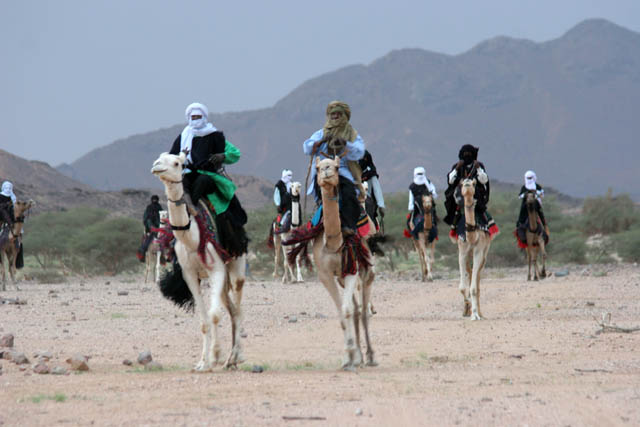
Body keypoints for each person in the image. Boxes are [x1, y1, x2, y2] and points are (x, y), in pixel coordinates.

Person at [169, 102, 248, 256]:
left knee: (204, 181)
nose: (195, 119)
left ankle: (194, 206)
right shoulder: (183, 136)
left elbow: (235, 153)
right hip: (187, 173)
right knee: (180, 185)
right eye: (193, 117)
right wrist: (180, 158)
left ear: (204, 117)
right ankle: (186, 209)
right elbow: (172, 156)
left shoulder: (215, 136)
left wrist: (223, 156)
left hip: (209, 175)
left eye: (198, 116)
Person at [303, 101, 365, 235]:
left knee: (348, 192)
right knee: (322, 192)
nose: (335, 116)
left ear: (344, 115)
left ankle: (349, 226)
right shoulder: (321, 133)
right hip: (323, 169)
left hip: (341, 169)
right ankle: (318, 223)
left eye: (338, 113)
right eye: (333, 114)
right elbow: (307, 148)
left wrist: (345, 143)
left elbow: (359, 151)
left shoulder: (352, 135)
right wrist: (320, 141)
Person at [443, 145, 492, 230]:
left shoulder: (478, 165)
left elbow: (484, 180)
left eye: (469, 154)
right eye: (465, 154)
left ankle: (485, 225)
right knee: (456, 207)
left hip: (475, 195)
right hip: (460, 195)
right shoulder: (457, 166)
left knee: (480, 208)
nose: (467, 156)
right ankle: (455, 225)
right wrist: (457, 168)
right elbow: (450, 181)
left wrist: (479, 169)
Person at [407, 167, 438, 238]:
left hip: (429, 205)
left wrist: (432, 193)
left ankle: (434, 233)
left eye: (421, 174)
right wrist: (411, 207)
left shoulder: (428, 183)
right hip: (417, 206)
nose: (420, 175)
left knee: (433, 218)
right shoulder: (412, 186)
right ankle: (414, 234)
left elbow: (434, 192)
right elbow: (411, 198)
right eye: (418, 174)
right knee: (410, 220)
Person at [359, 150, 385, 231]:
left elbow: (377, 189)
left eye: (364, 158)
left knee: (369, 206)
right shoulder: (351, 172)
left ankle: (372, 231)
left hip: (368, 196)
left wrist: (381, 205)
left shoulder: (371, 173)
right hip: (354, 197)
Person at [517, 170, 549, 236]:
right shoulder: (524, 187)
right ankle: (520, 225)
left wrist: (536, 193)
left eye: (530, 178)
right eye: (528, 178)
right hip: (526, 202)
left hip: (536, 202)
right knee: (522, 211)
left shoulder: (537, 186)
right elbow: (520, 196)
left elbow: (542, 194)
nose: (529, 180)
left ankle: (544, 225)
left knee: (540, 212)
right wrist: (525, 194)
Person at [137, 195, 163, 262]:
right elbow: (146, 219)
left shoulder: (159, 208)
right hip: (150, 228)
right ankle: (142, 254)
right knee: (147, 241)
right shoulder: (149, 208)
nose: (154, 201)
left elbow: (162, 218)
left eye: (156, 199)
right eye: (153, 199)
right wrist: (149, 227)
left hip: (159, 227)